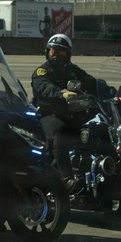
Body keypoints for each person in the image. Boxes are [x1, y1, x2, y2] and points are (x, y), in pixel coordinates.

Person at [30, 33, 98, 188]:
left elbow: (92, 82)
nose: (56, 54)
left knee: (95, 131)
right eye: (53, 51)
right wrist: (62, 93)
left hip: (72, 114)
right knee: (62, 132)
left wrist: (112, 92)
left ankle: (89, 173)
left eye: (61, 51)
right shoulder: (42, 72)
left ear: (68, 54)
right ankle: (66, 178)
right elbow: (44, 88)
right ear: (48, 52)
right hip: (47, 115)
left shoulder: (73, 70)